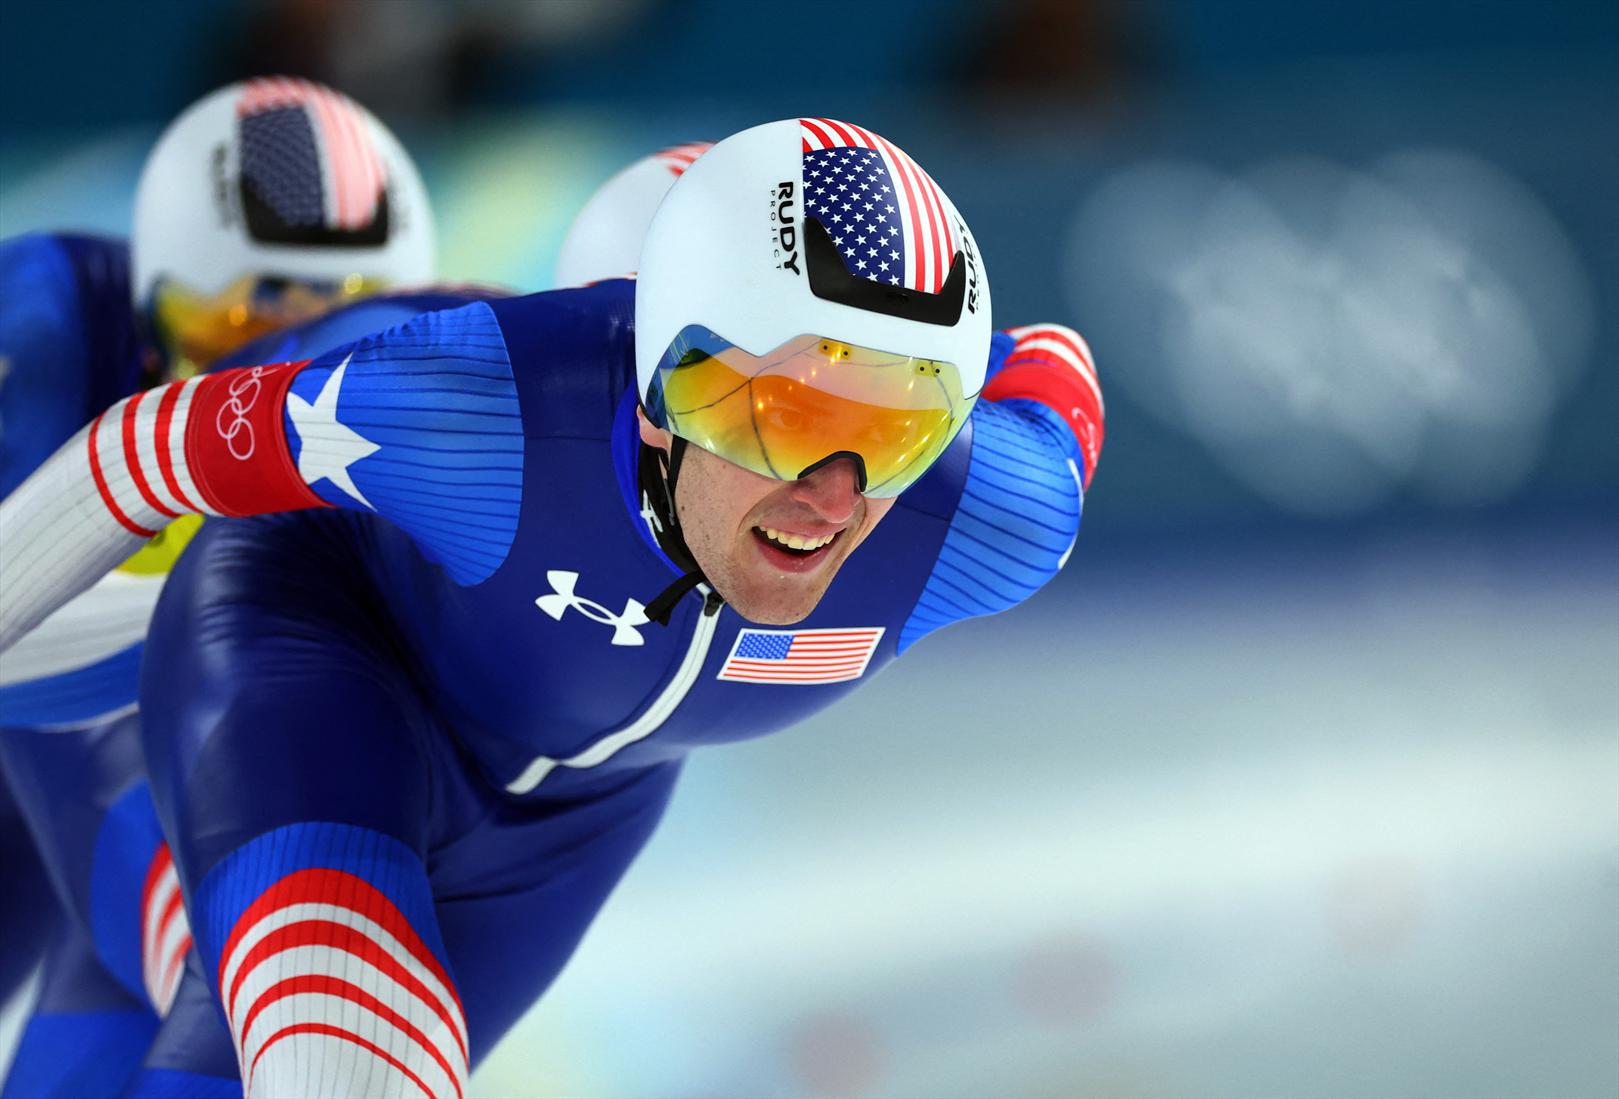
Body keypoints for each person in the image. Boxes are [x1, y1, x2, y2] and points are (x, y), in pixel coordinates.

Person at [0, 118, 1103, 1096]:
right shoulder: (491, 416)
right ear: (658, 378)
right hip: (320, 658)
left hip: (572, 813)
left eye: (900, 428)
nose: (834, 495)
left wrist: (967, 369)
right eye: (783, 415)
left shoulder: (984, 513)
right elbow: (149, 451)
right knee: (334, 1057)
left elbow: (1058, 369)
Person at [0, 77, 435, 1098]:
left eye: (340, 337)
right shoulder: (37, 334)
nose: (274, 374)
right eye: (244, 321)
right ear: (148, 314)